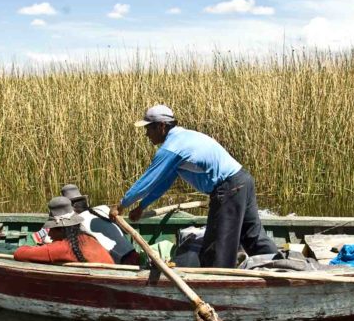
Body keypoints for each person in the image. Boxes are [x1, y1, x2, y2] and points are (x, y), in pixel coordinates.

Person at [110, 104, 277, 268]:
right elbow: (163, 182)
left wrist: (121, 205)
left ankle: (217, 290)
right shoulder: (183, 137)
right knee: (252, 236)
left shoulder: (171, 148)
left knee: (217, 247)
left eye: (149, 128)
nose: (146, 134)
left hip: (229, 188)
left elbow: (147, 181)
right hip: (242, 180)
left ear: (161, 126)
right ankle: (281, 266)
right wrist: (142, 206)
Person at [14, 196, 114, 265]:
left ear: (62, 230)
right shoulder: (88, 238)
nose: (50, 234)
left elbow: (19, 253)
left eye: (52, 229)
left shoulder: (62, 247)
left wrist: (31, 246)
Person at [61, 184, 140, 266]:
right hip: (135, 255)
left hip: (122, 263)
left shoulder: (78, 224)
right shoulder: (103, 208)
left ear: (70, 208)